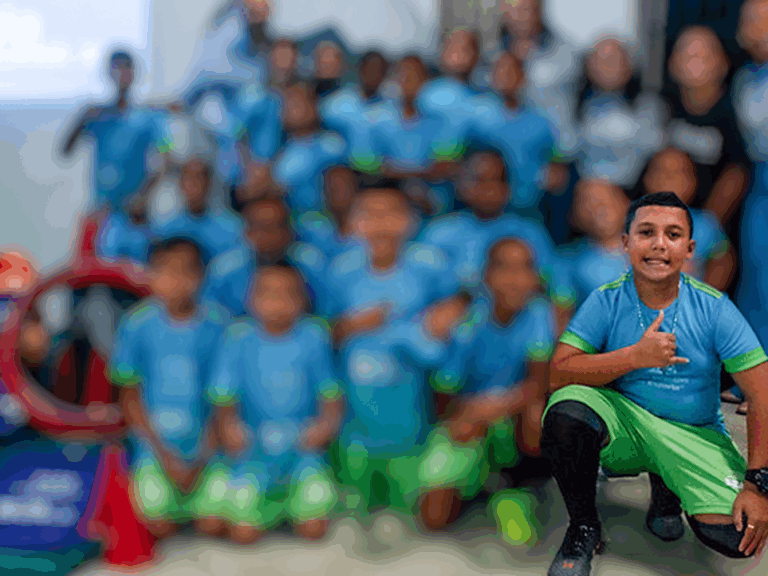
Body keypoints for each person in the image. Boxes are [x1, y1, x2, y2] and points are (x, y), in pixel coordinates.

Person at [542, 192, 768, 576]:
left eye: (673, 234)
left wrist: (758, 484)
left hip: (692, 432)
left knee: (738, 537)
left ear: (689, 248)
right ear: (626, 242)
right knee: (567, 410)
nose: (659, 244)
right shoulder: (605, 300)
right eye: (646, 232)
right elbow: (558, 373)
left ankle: (668, 487)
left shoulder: (715, 308)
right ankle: (583, 527)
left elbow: (762, 393)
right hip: (627, 424)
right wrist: (634, 356)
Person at [323, 188, 470, 524]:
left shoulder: (427, 265)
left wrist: (446, 315)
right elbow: (322, 333)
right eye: (370, 214)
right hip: (356, 424)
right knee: (356, 507)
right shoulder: (341, 270)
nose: (381, 225)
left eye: (391, 214)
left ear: (410, 221)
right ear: (354, 223)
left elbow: (460, 303)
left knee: (411, 506)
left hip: (411, 418)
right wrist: (349, 326)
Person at [200, 262, 344, 542]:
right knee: (237, 534)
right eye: (267, 293)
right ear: (250, 299)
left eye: (288, 294)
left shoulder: (313, 335)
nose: (276, 302)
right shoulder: (238, 337)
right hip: (253, 452)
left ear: (303, 301)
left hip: (301, 449)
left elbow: (331, 393)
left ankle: (293, 506)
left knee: (314, 530)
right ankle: (258, 508)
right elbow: (223, 395)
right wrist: (229, 426)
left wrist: (325, 426)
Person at [427, 238, 555, 536]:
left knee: (537, 417)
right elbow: (443, 398)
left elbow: (539, 382)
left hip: (509, 413)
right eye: (504, 269)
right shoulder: (467, 324)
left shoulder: (538, 313)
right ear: (486, 277)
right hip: (467, 413)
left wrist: (494, 409)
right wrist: (471, 415)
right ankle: (480, 483)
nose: (515, 280)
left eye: (525, 269)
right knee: (434, 516)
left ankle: (519, 485)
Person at [110, 238, 228, 537]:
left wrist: (203, 456)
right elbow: (130, 398)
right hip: (155, 451)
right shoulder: (135, 325)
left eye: (186, 271)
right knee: (158, 526)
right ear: (150, 275)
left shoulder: (219, 324)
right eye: (165, 271)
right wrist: (164, 456)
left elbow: (224, 400)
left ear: (202, 275)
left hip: (207, 451)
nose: (176, 281)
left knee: (214, 525)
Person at [419, 151, 574, 333]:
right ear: (461, 184)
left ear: (508, 188)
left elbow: (560, 287)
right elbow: (416, 284)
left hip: (514, 324)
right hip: (455, 325)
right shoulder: (440, 232)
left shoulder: (529, 232)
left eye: (497, 180)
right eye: (479, 180)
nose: (488, 189)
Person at [662, 26, 751, 241]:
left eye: (704, 53)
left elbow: (737, 173)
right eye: (686, 52)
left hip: (717, 225)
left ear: (723, 63)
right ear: (672, 63)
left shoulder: (732, 112)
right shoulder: (665, 106)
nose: (694, 59)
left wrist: (707, 226)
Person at [60, 50, 168, 216]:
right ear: (109, 74)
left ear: (135, 73)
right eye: (117, 69)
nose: (122, 75)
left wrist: (144, 195)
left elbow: (167, 154)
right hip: (101, 211)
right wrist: (81, 119)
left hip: (136, 214)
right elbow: (65, 151)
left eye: (126, 68)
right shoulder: (97, 117)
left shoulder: (149, 118)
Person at [361, 55, 464, 218]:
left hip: (434, 209)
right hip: (391, 206)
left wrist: (398, 170)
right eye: (403, 75)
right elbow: (372, 169)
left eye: (415, 75)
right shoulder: (376, 121)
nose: (408, 80)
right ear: (394, 79)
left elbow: (447, 167)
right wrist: (419, 174)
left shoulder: (439, 122)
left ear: (425, 81)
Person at [201, 196, 330, 317]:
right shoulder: (224, 270)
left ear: (290, 232)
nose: (269, 237)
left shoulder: (312, 264)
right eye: (262, 228)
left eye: (276, 227)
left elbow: (328, 312)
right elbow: (210, 317)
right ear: (247, 233)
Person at [472, 52, 560, 221]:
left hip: (529, 207)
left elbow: (555, 161)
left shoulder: (540, 122)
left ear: (523, 78)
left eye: (511, 72)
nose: (505, 77)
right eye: (500, 71)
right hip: (486, 209)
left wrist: (552, 176)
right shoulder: (477, 118)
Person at [575, 39, 665, 192]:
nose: (609, 67)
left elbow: (657, 154)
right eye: (602, 61)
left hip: (637, 192)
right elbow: (564, 149)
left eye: (616, 59)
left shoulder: (650, 106)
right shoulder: (575, 106)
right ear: (588, 66)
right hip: (587, 192)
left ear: (629, 64)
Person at [641, 147, 736, 293]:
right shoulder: (632, 221)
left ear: (693, 183)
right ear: (646, 179)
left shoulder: (705, 224)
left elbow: (723, 261)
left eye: (679, 173)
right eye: (660, 171)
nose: (669, 178)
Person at [272, 83, 348, 213]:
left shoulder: (331, 144)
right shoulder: (280, 149)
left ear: (314, 106)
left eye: (299, 102)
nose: (293, 109)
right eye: (288, 103)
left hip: (322, 219)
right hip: (290, 220)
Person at [152, 158, 243, 261]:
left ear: (209, 184)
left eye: (198, 179)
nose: (193, 185)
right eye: (188, 179)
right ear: (181, 184)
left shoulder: (231, 229)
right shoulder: (165, 231)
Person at [562, 179, 632, 307]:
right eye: (587, 201)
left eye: (606, 201)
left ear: (626, 203)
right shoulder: (568, 262)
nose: (599, 209)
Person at [320, 51, 391, 173]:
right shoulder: (335, 103)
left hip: (381, 174)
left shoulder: (392, 109)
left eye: (378, 71)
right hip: (346, 174)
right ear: (360, 71)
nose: (373, 75)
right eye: (369, 69)